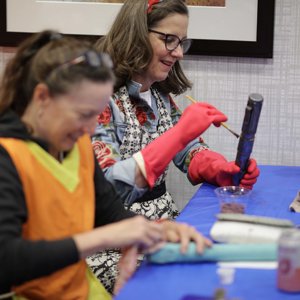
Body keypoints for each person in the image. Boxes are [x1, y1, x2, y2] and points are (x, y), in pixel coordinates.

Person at [0, 29, 214, 299]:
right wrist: (108, 237)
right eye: (84, 114)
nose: (91, 129)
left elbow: (108, 211)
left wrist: (153, 230)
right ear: (42, 97)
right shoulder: (8, 158)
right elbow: (6, 262)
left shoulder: (73, 145)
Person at [88, 0, 260, 293]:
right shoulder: (97, 100)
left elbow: (191, 150)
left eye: (181, 42)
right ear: (137, 33)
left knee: (229, 268)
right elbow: (109, 192)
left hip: (163, 228)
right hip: (114, 243)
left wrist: (222, 169)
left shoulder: (159, 97)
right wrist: (179, 134)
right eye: (169, 40)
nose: (178, 53)